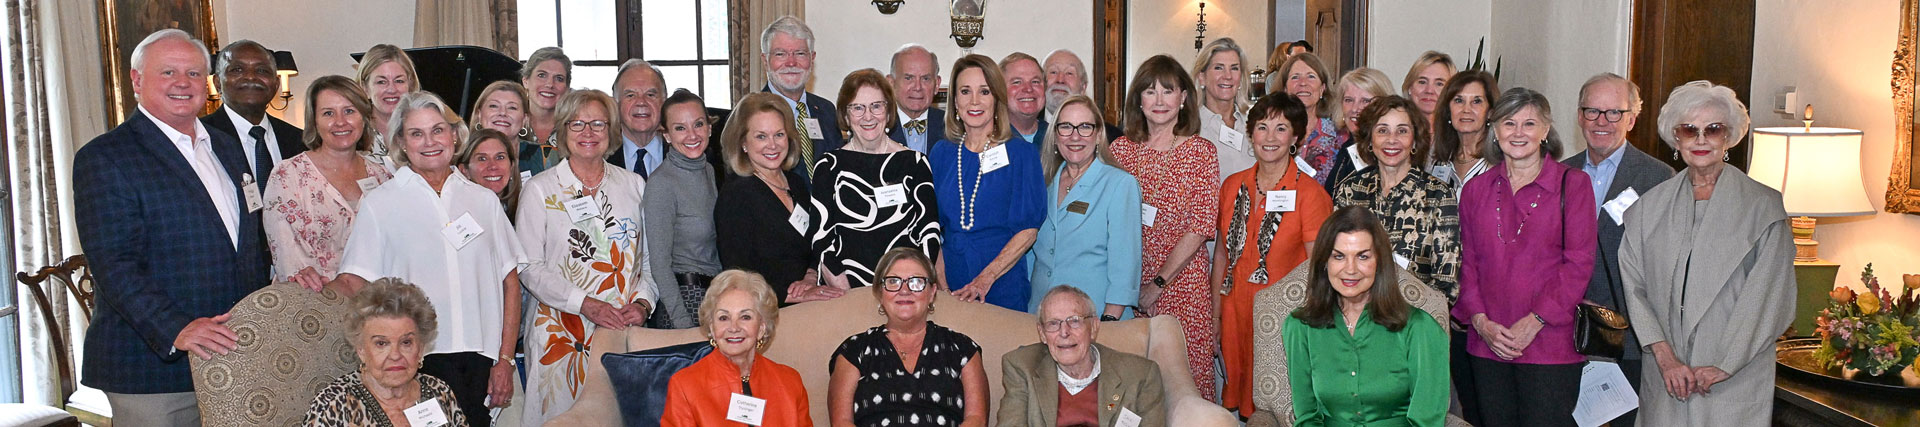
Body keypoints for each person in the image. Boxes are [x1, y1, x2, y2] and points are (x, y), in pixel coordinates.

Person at [72, 29, 269, 426]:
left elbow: (248, 242)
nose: (183, 83)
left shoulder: (226, 146)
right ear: (137, 80)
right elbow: (114, 265)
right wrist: (176, 328)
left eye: (194, 73)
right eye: (168, 72)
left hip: (236, 357)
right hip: (154, 369)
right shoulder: (105, 157)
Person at [335, 92, 527, 426]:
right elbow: (355, 281)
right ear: (401, 141)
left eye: (437, 130)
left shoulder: (483, 200)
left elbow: (510, 283)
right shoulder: (381, 203)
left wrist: (505, 360)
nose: (429, 142)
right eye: (416, 133)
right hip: (417, 360)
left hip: (482, 358)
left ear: (454, 134)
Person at [1620, 80, 1794, 426]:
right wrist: (1665, 358)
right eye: (1689, 130)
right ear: (1676, 139)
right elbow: (1634, 288)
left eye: (1713, 129)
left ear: (1729, 137)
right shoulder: (1647, 209)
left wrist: (1723, 365)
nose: (1701, 140)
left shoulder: (1763, 207)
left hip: (1733, 378)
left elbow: (1768, 297)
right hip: (1666, 376)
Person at [513, 89, 657, 424]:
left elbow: (648, 260)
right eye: (577, 124)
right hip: (559, 336)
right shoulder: (540, 189)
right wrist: (585, 304)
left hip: (620, 333)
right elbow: (529, 267)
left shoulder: (633, 185)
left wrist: (643, 304)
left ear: (611, 130)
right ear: (563, 130)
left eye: (597, 124)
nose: (588, 132)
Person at [1453, 87, 1595, 427]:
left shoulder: (1574, 185)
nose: (1518, 133)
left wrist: (1535, 322)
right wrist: (1481, 323)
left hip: (1550, 344)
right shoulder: (1475, 190)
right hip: (1488, 343)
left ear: (1545, 130)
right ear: (1495, 130)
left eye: (1529, 124)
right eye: (1509, 123)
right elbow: (1465, 263)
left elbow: (1578, 265)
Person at [1559, 74, 1673, 427]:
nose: (1602, 121)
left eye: (1614, 113)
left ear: (1632, 119)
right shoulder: (1559, 174)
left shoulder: (1659, 179)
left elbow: (1664, 267)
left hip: (1627, 339)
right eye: (1592, 111)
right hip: (1565, 334)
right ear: (1579, 116)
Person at [1212, 92, 1334, 416]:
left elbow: (1318, 270)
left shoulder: (1310, 195)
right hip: (1234, 313)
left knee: (1277, 405)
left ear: (1295, 137)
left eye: (1281, 128)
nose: (1270, 138)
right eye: (1262, 127)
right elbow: (1221, 256)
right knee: (1238, 402)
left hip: (1283, 320)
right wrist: (1214, 316)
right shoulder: (1231, 186)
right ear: (1251, 134)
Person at [1110, 54, 1220, 399]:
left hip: (1182, 286)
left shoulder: (1201, 152)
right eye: (1150, 91)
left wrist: (1158, 284)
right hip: (1125, 286)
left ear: (1183, 97)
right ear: (1138, 100)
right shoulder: (1119, 151)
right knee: (1130, 386)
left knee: (1186, 386)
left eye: (1168, 91)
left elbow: (1200, 225)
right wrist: (1131, 286)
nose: (1159, 100)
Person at [1283, 206, 1449, 427]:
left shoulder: (1419, 329)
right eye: (1339, 256)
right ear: (1324, 262)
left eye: (1362, 256)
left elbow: (1427, 421)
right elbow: (1307, 417)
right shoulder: (1299, 327)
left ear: (1380, 262)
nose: (1350, 269)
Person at [802, 69, 942, 295]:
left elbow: (929, 233)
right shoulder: (828, 166)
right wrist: (850, 296)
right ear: (846, 116)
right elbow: (821, 239)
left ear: (888, 111)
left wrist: (910, 289)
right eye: (857, 108)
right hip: (845, 293)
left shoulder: (915, 163)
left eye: (876, 106)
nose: (868, 116)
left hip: (905, 292)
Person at [930, 54, 1047, 311]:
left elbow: (1029, 230)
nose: (974, 101)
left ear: (997, 98)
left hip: (1001, 287)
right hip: (950, 289)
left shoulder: (1021, 154)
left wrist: (985, 279)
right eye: (965, 91)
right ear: (955, 101)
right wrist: (942, 283)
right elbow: (932, 228)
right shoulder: (941, 154)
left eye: (984, 91)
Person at [828, 248, 991, 426]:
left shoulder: (962, 348)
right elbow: (841, 423)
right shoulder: (854, 350)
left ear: (932, 292)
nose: (904, 290)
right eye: (893, 281)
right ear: (880, 293)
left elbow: (977, 420)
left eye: (916, 281)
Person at [265, 76, 394, 291]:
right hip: (313, 302)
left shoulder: (382, 177)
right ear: (314, 121)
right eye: (328, 113)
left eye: (349, 111)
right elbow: (290, 261)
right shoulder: (288, 175)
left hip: (375, 302)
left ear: (364, 117)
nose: (340, 121)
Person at [1330, 95, 1460, 299]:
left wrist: (1413, 315)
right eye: (1382, 130)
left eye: (1402, 131)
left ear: (1415, 140)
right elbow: (1334, 260)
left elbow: (1447, 282)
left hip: (1414, 313)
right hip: (1354, 309)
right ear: (1370, 140)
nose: (1392, 139)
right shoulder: (1350, 190)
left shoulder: (1438, 195)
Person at [1030, 95, 1143, 318]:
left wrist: (1110, 319)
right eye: (1066, 127)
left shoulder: (1120, 184)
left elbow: (1125, 264)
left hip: (1095, 318)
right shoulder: (1044, 183)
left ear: (1098, 134)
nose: (1075, 136)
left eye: (1085, 127)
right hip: (1042, 316)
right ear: (1055, 135)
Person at [304, 279, 467, 426]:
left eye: (406, 342)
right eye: (381, 343)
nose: (395, 355)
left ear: (420, 348)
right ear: (361, 350)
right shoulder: (334, 404)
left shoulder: (438, 391)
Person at [998, 285, 1167, 427]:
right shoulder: (1022, 367)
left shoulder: (1140, 375)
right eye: (1053, 323)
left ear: (1093, 327)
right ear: (1042, 333)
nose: (1064, 332)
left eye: (1074, 321)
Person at [660, 270, 813, 426]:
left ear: (761, 328)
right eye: (723, 318)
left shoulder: (790, 382)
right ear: (712, 328)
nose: (733, 327)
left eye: (745, 317)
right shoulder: (685, 386)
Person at [716, 92, 820, 305]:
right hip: (766, 310)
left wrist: (811, 275)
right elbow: (738, 274)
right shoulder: (736, 194)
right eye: (761, 136)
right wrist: (792, 295)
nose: (772, 145)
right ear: (743, 143)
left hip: (809, 303)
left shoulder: (797, 184)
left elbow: (815, 242)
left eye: (779, 134)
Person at [644, 89, 726, 329]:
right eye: (680, 128)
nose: (692, 135)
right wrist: (682, 322)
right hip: (684, 302)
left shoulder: (708, 170)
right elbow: (659, 264)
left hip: (716, 296)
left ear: (709, 128)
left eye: (698, 124)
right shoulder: (661, 183)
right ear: (667, 135)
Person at [203, 40, 305, 190]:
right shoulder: (201, 137)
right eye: (237, 69)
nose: (250, 77)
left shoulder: (301, 141)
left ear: (276, 84)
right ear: (217, 83)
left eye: (262, 70)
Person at [761, 15, 842, 186]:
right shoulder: (750, 114)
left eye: (800, 53)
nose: (791, 62)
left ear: (812, 59)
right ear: (765, 61)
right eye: (780, 54)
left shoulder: (827, 110)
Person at [1319, 67, 1395, 192]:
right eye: (1349, 100)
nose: (1355, 109)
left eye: (1365, 101)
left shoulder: (1388, 152)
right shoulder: (1347, 147)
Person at [1278, 53, 1346, 186]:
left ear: (1322, 88)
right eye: (1295, 77)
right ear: (1285, 89)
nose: (1303, 83)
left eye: (1311, 76)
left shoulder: (1339, 136)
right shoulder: (1272, 132)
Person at [1192, 38, 1254, 183]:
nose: (1227, 76)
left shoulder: (1256, 122)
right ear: (1202, 77)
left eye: (1234, 68)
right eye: (1219, 68)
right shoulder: (1189, 128)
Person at [1428, 71, 1500, 196]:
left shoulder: (1500, 166)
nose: (1466, 109)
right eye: (1459, 100)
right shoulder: (1440, 163)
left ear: (1490, 112)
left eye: (1476, 101)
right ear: (1448, 110)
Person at [355, 44, 419, 169]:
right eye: (381, 82)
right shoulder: (353, 134)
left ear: (410, 85)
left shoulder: (424, 131)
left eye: (399, 81)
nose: (391, 89)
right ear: (365, 88)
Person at [468, 80, 546, 179]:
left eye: (512, 107)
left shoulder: (546, 156)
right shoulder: (461, 155)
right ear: (479, 114)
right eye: (494, 106)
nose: (503, 113)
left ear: (525, 119)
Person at [1042, 49, 1123, 141]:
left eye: (1069, 73)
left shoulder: (1111, 138)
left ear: (1083, 87)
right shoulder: (1029, 130)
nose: (1060, 80)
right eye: (1053, 72)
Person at [608, 59, 667, 178]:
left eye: (650, 95)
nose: (641, 102)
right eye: (630, 95)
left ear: (664, 101)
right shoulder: (601, 155)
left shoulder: (684, 150)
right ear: (616, 104)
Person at [520, 46, 572, 170]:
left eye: (559, 78)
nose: (549, 84)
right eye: (542, 75)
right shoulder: (510, 124)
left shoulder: (576, 129)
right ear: (526, 81)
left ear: (567, 88)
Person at [888, 44, 945, 153]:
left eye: (925, 79)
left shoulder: (953, 128)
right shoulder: (877, 127)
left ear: (937, 85)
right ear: (891, 83)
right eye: (908, 78)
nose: (917, 87)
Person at [456, 129, 521, 219]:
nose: (493, 166)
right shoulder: (457, 216)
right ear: (464, 170)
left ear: (511, 166)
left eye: (500, 157)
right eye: (482, 159)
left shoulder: (525, 208)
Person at [1401, 51, 1456, 125]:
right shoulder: (1395, 129)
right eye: (1422, 82)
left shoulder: (1461, 130)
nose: (1429, 90)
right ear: (1410, 87)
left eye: (1439, 84)